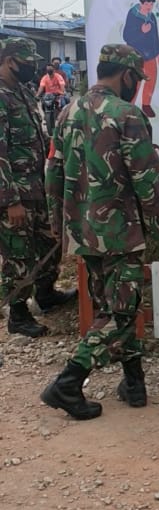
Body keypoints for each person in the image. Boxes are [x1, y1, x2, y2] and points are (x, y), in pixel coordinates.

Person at [41, 44, 159, 421]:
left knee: (114, 304)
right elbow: (148, 178)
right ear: (128, 75)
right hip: (121, 232)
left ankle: (134, 383)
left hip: (84, 230)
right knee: (120, 311)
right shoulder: (126, 114)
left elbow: (53, 171)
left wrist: (58, 224)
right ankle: (69, 382)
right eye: (138, 79)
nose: (137, 86)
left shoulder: (67, 112)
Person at [0, 37, 76, 338]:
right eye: (26, 62)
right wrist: (10, 201)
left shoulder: (23, 92)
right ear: (9, 62)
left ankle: (46, 293)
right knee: (19, 253)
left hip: (37, 186)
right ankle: (17, 314)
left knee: (49, 242)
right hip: (14, 193)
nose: (32, 66)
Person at [122, 0, 159, 119]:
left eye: (152, 4)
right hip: (136, 54)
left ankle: (146, 105)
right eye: (147, 4)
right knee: (136, 81)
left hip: (150, 54)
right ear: (141, 3)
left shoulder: (152, 17)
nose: (149, 7)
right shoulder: (133, 14)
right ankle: (130, 105)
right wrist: (141, 31)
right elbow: (126, 36)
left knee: (151, 79)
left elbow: (155, 36)